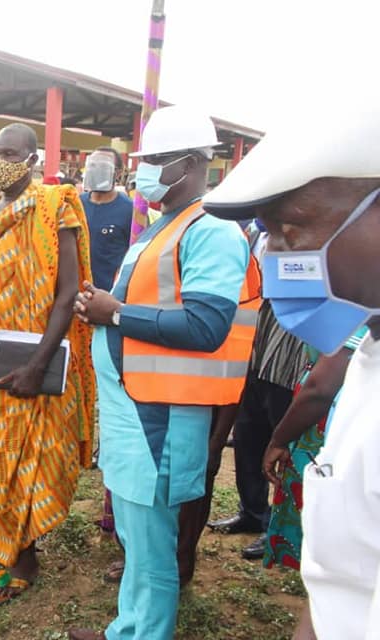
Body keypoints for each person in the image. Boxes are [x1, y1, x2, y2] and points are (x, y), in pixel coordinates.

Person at [70, 106, 258, 640]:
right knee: (135, 533)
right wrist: (103, 311)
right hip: (137, 407)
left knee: (153, 543)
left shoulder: (212, 231)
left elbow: (206, 325)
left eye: (154, 160)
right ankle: (127, 627)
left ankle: (144, 633)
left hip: (163, 413)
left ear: (190, 163)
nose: (143, 170)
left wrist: (116, 314)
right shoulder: (166, 227)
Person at [202, 101, 380, 640]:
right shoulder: (367, 361)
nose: (276, 257)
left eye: (292, 229)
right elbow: (345, 585)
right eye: (268, 234)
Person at [0, 123, 96, 605]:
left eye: (11, 152)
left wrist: (37, 364)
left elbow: (67, 291)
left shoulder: (55, 208)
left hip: (28, 359)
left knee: (23, 458)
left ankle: (25, 552)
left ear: (33, 159)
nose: (0, 160)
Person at [261, 326, 367, 570]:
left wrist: (279, 439)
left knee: (325, 531)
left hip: (329, 422)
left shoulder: (359, 313)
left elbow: (322, 388)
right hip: (327, 415)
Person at [206, 298, 305, 559]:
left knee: (283, 448)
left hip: (289, 361)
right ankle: (252, 512)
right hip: (253, 351)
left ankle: (278, 530)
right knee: (247, 437)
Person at [80, 148, 133, 292]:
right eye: (92, 166)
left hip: (107, 295)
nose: (96, 170)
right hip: (76, 292)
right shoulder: (76, 204)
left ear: (118, 173)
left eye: (103, 166)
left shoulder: (130, 211)